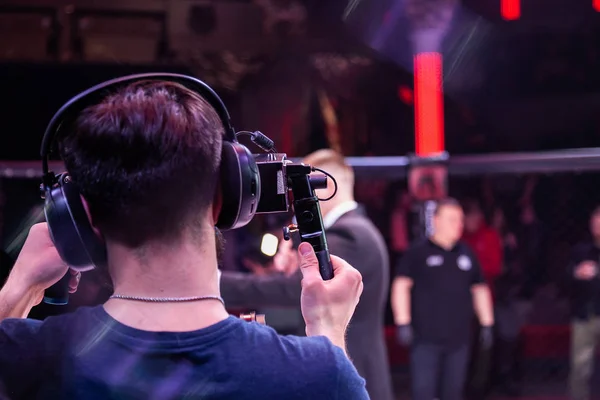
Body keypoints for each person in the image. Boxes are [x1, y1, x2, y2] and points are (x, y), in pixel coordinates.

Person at [0, 79, 368, 399]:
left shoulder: (28, 356)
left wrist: (19, 288)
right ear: (228, 196)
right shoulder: (315, 373)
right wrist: (328, 330)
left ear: (81, 217)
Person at [220, 149, 395, 400]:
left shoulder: (350, 235)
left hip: (348, 368)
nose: (295, 199)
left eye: (301, 188)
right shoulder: (358, 229)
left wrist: (218, 283)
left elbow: (294, 290)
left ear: (321, 186)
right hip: (350, 366)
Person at [391, 198, 495, 400]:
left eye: (460, 220)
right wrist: (402, 322)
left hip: (460, 339)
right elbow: (401, 286)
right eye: (452, 219)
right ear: (436, 220)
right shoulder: (418, 252)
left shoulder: (467, 253)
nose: (459, 225)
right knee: (424, 393)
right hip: (425, 339)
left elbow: (480, 289)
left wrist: (487, 323)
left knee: (454, 393)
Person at [568, 206, 600, 400]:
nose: (597, 225)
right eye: (595, 221)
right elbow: (564, 276)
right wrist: (576, 273)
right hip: (584, 316)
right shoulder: (580, 250)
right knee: (580, 370)